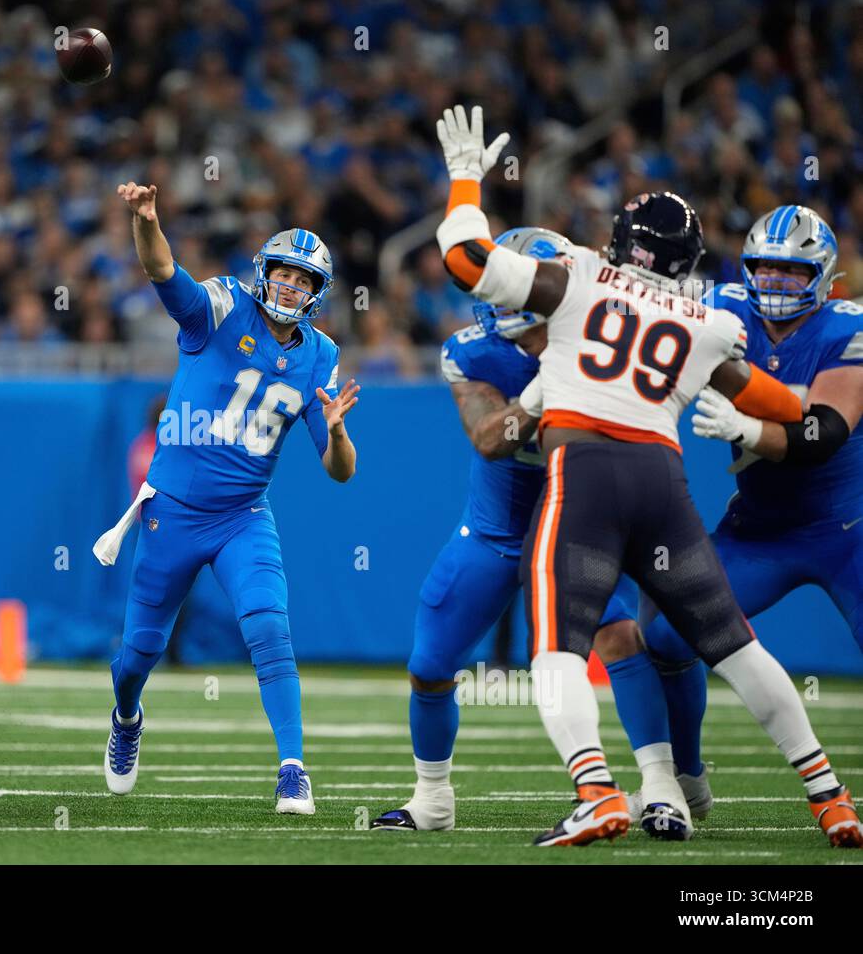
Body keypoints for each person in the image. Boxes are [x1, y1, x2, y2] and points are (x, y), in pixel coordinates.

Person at [433, 104, 860, 848]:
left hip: (587, 474)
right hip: (663, 489)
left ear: (617, 244)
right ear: (692, 265)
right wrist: (758, 424)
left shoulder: (578, 278)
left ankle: (597, 791)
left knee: (558, 648)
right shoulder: (706, 322)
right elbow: (785, 405)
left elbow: (465, 260)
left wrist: (466, 182)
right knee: (736, 646)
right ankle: (830, 797)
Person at [370, 228, 688, 836]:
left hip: (580, 519)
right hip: (497, 528)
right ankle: (433, 798)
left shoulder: (605, 335)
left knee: (620, 636)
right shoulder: (474, 351)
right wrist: (542, 398)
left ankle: (661, 786)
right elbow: (491, 440)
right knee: (430, 663)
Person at [92, 182, 359, 814]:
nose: (291, 287)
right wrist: (147, 221)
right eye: (284, 275)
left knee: (269, 625)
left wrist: (340, 431)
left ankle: (293, 769)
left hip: (243, 516)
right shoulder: (220, 306)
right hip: (172, 512)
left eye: (304, 280)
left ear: (317, 292)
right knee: (137, 656)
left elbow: (339, 471)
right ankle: (126, 718)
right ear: (265, 274)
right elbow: (163, 272)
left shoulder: (320, 356)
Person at [645, 206, 863, 809]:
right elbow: (636, 298)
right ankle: (688, 776)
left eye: (793, 273)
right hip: (760, 529)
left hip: (848, 528)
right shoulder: (721, 305)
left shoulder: (848, 326)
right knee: (665, 635)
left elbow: (823, 436)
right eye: (766, 268)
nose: (777, 283)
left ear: (823, 278)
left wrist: (746, 427)